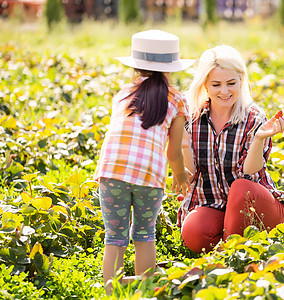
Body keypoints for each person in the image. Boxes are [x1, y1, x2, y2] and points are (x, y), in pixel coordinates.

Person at [93, 29, 194, 293]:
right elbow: (174, 151)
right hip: (149, 177)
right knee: (145, 235)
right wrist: (180, 175)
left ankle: (110, 291)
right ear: (171, 69)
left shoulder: (123, 94)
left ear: (135, 66)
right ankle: (145, 289)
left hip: (111, 172)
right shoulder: (178, 99)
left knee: (114, 238)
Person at [178, 45, 284, 254]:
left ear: (241, 79)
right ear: (205, 85)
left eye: (231, 83)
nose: (224, 91)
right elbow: (190, 176)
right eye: (216, 84)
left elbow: (251, 173)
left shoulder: (254, 117)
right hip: (214, 205)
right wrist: (184, 145)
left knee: (241, 187)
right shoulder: (191, 119)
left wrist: (258, 139)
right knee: (194, 232)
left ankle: (232, 254)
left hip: (256, 206)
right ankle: (235, 244)